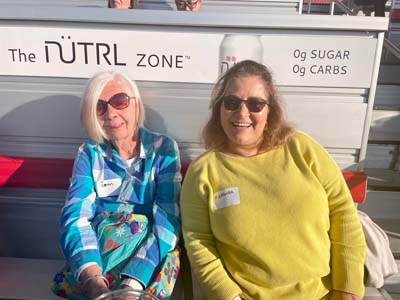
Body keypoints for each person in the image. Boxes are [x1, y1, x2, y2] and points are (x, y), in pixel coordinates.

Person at [180, 60, 366, 300]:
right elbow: (198, 243)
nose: (242, 113)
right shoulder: (203, 171)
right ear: (219, 109)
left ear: (270, 111)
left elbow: (343, 212)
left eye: (256, 104)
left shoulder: (302, 149)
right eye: (232, 102)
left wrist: (347, 288)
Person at [51, 71, 181, 300]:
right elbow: (76, 219)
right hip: (99, 263)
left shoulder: (163, 149)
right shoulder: (89, 153)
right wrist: (94, 281)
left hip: (148, 265)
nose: (111, 113)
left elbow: (167, 220)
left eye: (120, 101)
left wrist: (132, 284)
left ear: (136, 106)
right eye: (100, 107)